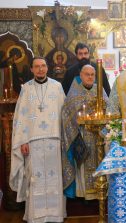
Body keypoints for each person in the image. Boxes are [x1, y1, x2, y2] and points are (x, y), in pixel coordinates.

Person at [9, 56, 66, 222]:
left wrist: (64, 138)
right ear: (32, 69)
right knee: (35, 178)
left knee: (54, 178)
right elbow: (20, 118)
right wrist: (23, 141)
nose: (40, 69)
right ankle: (37, 216)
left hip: (54, 140)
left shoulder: (57, 87)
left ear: (47, 68)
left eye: (43, 66)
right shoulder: (26, 89)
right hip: (33, 142)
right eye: (37, 67)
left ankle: (55, 215)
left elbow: (64, 114)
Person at [61, 64, 108, 201]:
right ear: (81, 75)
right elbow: (66, 112)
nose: (90, 77)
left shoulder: (100, 91)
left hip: (98, 136)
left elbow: (107, 109)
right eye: (87, 74)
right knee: (83, 164)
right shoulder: (74, 92)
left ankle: (100, 192)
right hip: (81, 134)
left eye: (92, 75)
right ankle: (84, 194)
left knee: (99, 161)